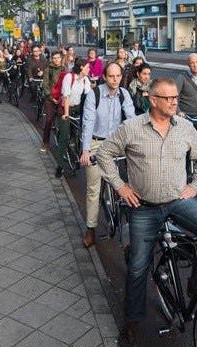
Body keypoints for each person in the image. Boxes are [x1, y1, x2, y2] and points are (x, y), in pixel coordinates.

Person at [96, 77, 197, 347]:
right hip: (143, 208)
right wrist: (120, 186)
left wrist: (195, 186)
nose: (173, 102)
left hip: (178, 202)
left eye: (175, 98)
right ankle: (131, 325)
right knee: (137, 270)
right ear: (152, 100)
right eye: (167, 98)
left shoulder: (185, 128)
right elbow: (105, 154)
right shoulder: (131, 128)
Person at [80, 62, 135, 248]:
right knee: (94, 188)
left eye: (118, 76)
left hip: (116, 144)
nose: (115, 80)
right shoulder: (93, 95)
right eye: (111, 76)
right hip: (96, 143)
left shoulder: (124, 94)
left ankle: (127, 226)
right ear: (104, 76)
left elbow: (132, 120)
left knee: (126, 184)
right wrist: (86, 150)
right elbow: (87, 123)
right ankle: (91, 228)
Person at [55, 58, 91, 178]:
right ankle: (59, 166)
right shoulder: (69, 78)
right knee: (64, 137)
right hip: (67, 108)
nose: (89, 69)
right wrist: (65, 114)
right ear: (81, 67)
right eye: (87, 67)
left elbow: (89, 96)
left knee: (79, 133)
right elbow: (66, 96)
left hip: (78, 108)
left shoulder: (85, 80)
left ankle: (75, 150)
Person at [41, 51, 64, 152]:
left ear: (61, 58)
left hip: (62, 98)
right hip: (50, 99)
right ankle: (45, 142)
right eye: (54, 58)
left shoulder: (65, 69)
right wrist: (51, 97)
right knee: (49, 120)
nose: (56, 60)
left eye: (58, 58)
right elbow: (45, 85)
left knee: (64, 119)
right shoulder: (48, 70)